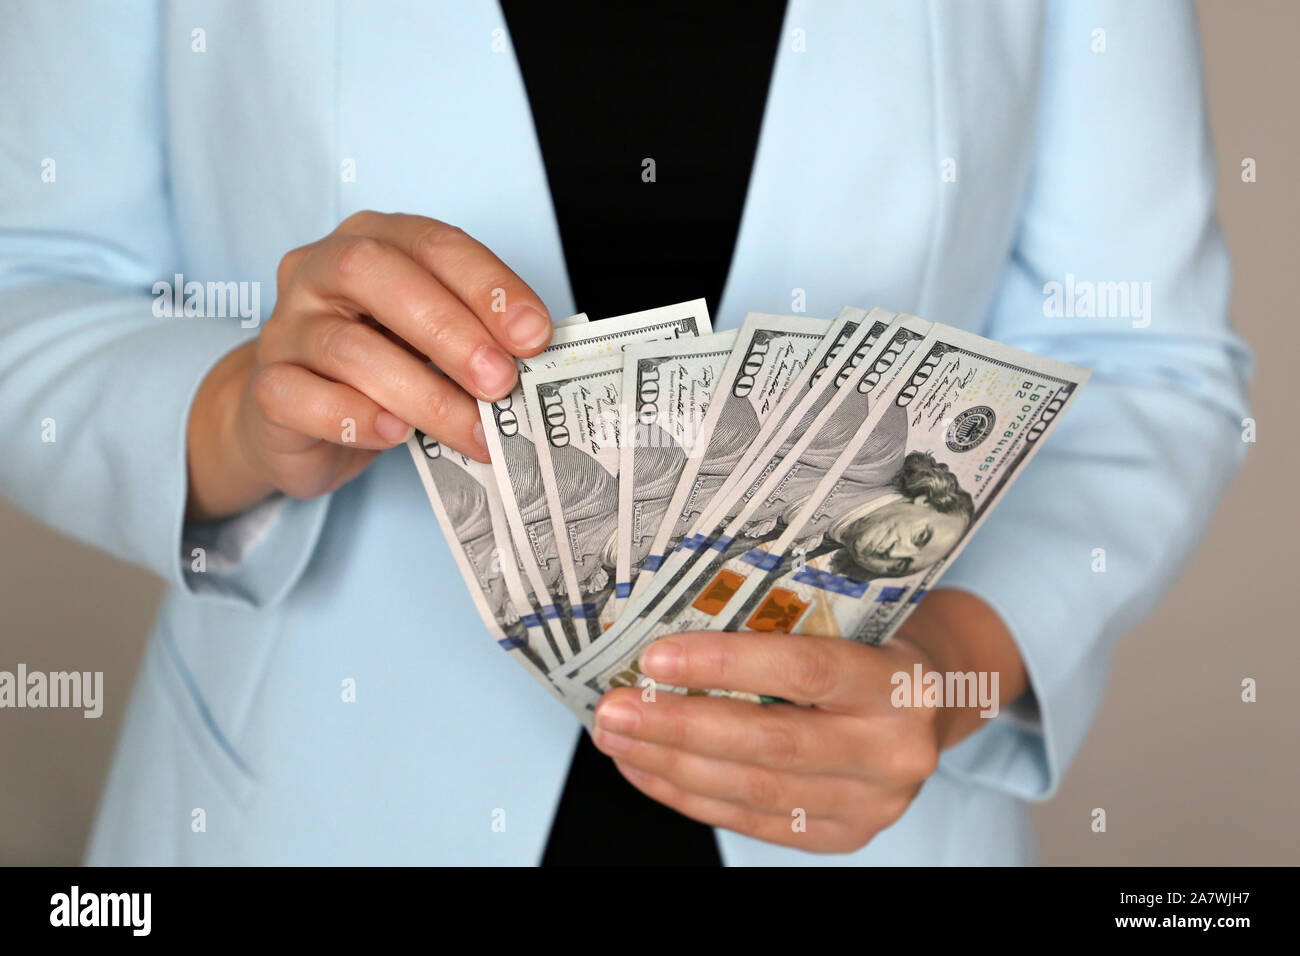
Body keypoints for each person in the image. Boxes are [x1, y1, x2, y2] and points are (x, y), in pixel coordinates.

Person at [0, 1, 1250, 864]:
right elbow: (30, 276)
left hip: (865, 820)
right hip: (313, 799)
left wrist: (946, 669)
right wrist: (237, 417)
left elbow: (1149, 358)